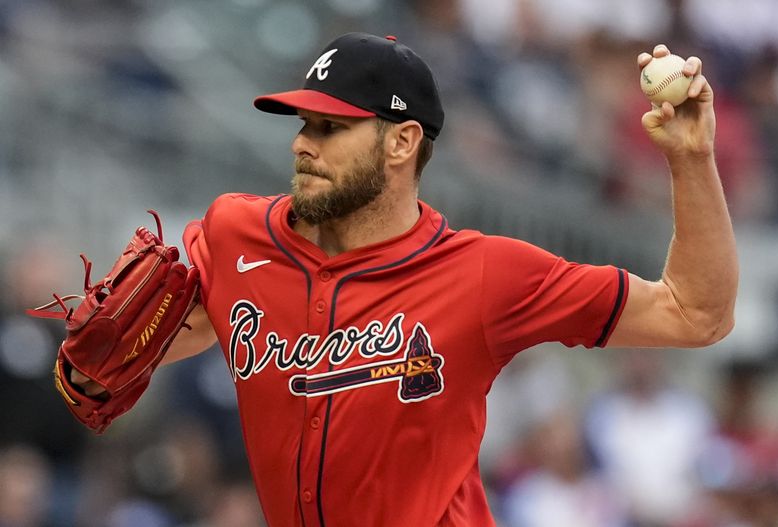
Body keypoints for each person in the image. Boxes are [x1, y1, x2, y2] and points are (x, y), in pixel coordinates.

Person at [71, 32, 738, 527]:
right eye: (303, 123)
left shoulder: (485, 274)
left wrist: (692, 159)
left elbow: (694, 313)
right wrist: (91, 370)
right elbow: (130, 357)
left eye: (331, 127)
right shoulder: (236, 235)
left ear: (401, 141)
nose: (303, 143)